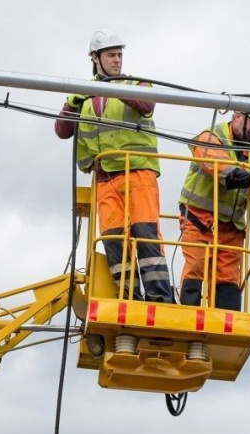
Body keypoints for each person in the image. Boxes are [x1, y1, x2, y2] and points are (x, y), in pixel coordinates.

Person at [54, 29, 174, 303]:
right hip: (105, 181)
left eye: (120, 55)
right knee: (114, 243)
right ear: (95, 58)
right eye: (111, 55)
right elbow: (62, 131)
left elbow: (147, 104)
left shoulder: (136, 84)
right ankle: (128, 298)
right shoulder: (83, 97)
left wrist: (115, 88)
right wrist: (72, 102)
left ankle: (159, 298)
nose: (117, 60)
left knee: (146, 236)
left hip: (138, 173)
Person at [178, 111, 250, 311]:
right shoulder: (210, 137)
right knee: (196, 267)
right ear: (237, 115)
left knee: (228, 278)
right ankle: (188, 316)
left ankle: (226, 321)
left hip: (231, 227)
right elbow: (223, 172)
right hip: (199, 219)